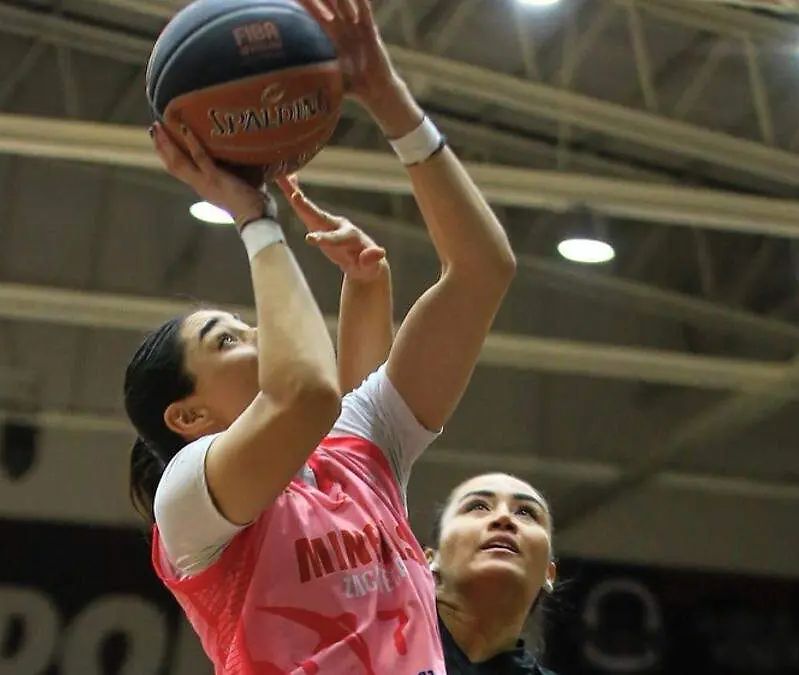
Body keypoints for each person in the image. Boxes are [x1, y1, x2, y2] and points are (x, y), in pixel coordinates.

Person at [122, 0, 517, 670]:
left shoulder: (361, 451)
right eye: (227, 340)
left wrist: (387, 98)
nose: (261, 334)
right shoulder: (188, 500)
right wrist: (253, 217)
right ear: (187, 416)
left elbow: (483, 270)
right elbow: (307, 392)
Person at [427, 473, 560, 674]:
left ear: (548, 574)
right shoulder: (377, 652)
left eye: (526, 512)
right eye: (478, 506)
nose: (504, 518)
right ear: (428, 561)